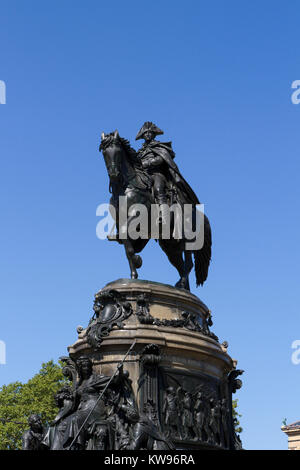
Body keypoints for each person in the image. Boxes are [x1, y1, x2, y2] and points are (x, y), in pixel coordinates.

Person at [136, 122, 200, 224]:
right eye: (145, 133)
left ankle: (163, 214)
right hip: (144, 175)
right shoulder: (140, 152)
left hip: (157, 173)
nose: (148, 134)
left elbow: (161, 158)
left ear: (154, 134)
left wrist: (147, 162)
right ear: (142, 135)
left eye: (150, 132)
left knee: (158, 189)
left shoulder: (159, 147)